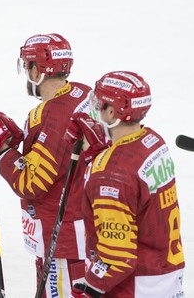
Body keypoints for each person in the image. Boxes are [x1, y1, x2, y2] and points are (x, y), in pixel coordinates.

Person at [0, 33, 105, 297]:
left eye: (27, 65)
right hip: (77, 231)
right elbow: (55, 154)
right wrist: (16, 137)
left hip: (65, 241)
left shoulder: (57, 116)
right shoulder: (81, 93)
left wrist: (1, 149)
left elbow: (31, 182)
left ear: (36, 70)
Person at [66, 71, 185, 297]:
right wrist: (97, 155)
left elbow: (117, 256)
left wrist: (88, 289)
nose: (94, 109)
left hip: (135, 287)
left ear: (112, 112)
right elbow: (130, 187)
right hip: (167, 279)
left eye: (99, 104)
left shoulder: (110, 174)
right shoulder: (153, 141)